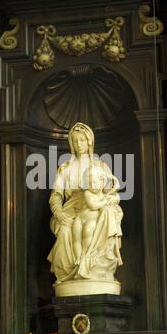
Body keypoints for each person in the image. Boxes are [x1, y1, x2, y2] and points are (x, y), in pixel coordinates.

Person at [48, 122, 123, 286]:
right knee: (64, 232)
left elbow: (113, 191)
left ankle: (94, 267)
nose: (78, 144)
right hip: (71, 209)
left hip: (95, 208)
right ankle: (72, 271)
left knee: (106, 216)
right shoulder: (65, 168)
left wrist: (110, 200)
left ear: (89, 141)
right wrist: (59, 212)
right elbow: (56, 195)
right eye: (75, 141)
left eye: (82, 140)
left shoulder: (101, 165)